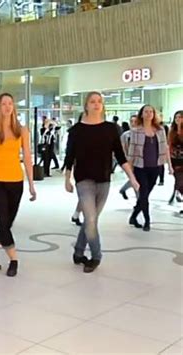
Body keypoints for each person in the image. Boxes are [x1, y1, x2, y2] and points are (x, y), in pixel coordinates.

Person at [64, 92, 139, 273]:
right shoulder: (76, 130)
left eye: (99, 102)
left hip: (104, 180)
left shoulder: (111, 129)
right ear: (86, 105)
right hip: (83, 179)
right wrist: (67, 178)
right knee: (90, 218)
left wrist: (132, 179)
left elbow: (120, 156)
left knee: (92, 220)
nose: (96, 104)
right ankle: (96, 256)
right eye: (92, 101)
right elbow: (69, 156)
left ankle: (78, 251)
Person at [0, 93, 36, 277]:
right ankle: (14, 259)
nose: (7, 107)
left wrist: (32, 184)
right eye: (3, 104)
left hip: (16, 181)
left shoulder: (22, 130)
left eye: (10, 103)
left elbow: (27, 157)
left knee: (6, 224)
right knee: (2, 221)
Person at [128, 105, 172, 232]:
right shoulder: (136, 131)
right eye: (146, 112)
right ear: (141, 114)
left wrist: (169, 165)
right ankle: (147, 221)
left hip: (155, 167)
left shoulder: (160, 130)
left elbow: (165, 148)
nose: (148, 114)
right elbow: (131, 152)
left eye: (151, 112)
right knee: (144, 195)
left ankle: (134, 216)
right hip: (140, 167)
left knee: (145, 194)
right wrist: (129, 172)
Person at [119, 115, 139, 200]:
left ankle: (123, 189)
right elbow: (123, 148)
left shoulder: (142, 133)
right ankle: (139, 201)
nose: (133, 123)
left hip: (140, 160)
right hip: (130, 161)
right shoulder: (125, 135)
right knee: (135, 179)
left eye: (135, 121)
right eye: (132, 121)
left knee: (137, 179)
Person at [169, 111, 183, 206]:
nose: (178, 119)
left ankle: (176, 193)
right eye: (176, 117)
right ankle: (176, 192)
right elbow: (169, 144)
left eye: (180, 117)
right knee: (178, 178)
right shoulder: (172, 130)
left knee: (181, 180)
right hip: (174, 159)